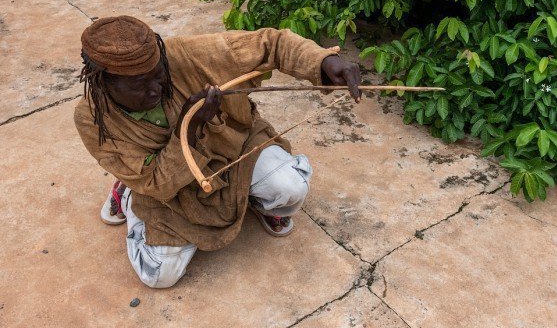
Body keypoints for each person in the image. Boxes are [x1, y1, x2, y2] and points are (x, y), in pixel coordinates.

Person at [74, 16, 361, 288]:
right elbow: (157, 183)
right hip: (171, 191)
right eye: (139, 86)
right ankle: (128, 195)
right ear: (103, 84)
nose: (155, 90)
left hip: (234, 149)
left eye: (159, 77)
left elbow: (271, 43)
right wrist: (188, 128)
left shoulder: (183, 54)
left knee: (290, 188)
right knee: (159, 274)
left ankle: (258, 202)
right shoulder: (92, 118)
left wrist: (324, 61)